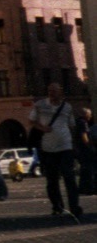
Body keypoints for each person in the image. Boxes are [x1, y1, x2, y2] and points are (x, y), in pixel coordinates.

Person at [28, 82, 84, 222]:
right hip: (48, 148)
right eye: (49, 91)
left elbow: (71, 126)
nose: (52, 93)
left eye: (55, 91)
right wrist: (42, 128)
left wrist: (72, 144)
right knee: (52, 179)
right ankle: (57, 206)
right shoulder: (40, 105)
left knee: (69, 177)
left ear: (61, 92)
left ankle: (74, 207)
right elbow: (31, 121)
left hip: (65, 146)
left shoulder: (67, 107)